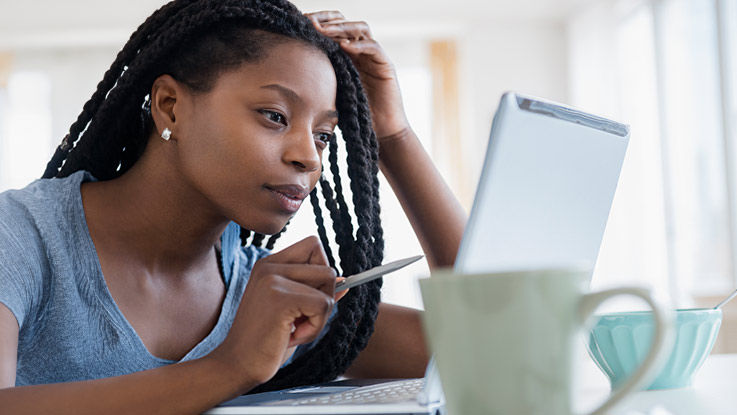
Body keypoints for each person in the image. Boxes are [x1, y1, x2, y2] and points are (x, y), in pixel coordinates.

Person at [0, 0, 466, 413]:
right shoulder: (22, 236)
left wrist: (393, 135)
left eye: (324, 135)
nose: (309, 156)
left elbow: (494, 348)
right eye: (275, 116)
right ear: (170, 107)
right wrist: (230, 366)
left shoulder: (267, 298)